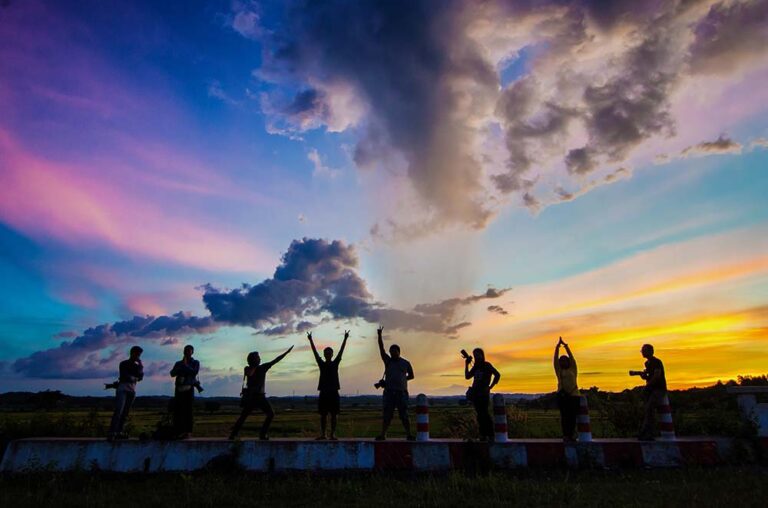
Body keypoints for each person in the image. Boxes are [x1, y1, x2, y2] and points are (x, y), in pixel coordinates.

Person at [229, 345, 294, 441]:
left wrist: (286, 353)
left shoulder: (263, 367)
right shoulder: (248, 368)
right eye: (258, 358)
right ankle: (234, 435)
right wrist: (255, 365)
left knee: (270, 414)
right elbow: (250, 373)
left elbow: (275, 360)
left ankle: (262, 434)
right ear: (253, 360)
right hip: (252, 397)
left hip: (260, 396)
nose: (260, 359)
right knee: (244, 416)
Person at [375, 325, 415, 441]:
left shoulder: (406, 363)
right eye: (391, 352)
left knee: (404, 415)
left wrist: (402, 381)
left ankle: (408, 434)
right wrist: (379, 336)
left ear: (399, 352)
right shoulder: (388, 361)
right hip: (389, 392)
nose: (392, 353)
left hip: (401, 393)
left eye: (394, 351)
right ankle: (383, 434)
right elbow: (381, 349)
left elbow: (412, 376)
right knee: (387, 415)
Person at [308, 330, 349, 440]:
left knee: (334, 415)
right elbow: (315, 352)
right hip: (324, 392)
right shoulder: (321, 364)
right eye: (326, 353)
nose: (327, 354)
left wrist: (345, 339)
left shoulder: (335, 363)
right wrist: (311, 340)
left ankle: (332, 434)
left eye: (329, 353)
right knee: (323, 415)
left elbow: (341, 351)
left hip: (334, 392)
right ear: (324, 355)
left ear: (332, 354)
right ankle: (323, 434)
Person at [107, 346, 144, 441]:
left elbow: (140, 377)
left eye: (139, 355)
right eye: (137, 354)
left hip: (132, 390)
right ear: (132, 353)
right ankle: (112, 432)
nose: (138, 356)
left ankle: (119, 432)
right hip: (122, 389)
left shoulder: (137, 366)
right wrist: (134, 378)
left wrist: (140, 365)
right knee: (119, 410)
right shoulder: (123, 363)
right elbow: (124, 376)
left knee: (125, 412)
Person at [464, 347, 501, 441]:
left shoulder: (487, 365)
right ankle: (483, 435)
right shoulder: (476, 366)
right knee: (479, 415)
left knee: (484, 414)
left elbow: (497, 374)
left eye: (478, 354)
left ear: (482, 355)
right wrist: (466, 364)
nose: (476, 356)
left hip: (483, 393)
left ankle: (491, 435)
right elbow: (467, 376)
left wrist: (491, 386)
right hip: (476, 394)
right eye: (475, 355)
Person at [634, 344, 667, 441]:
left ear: (651, 351)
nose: (642, 352)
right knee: (648, 410)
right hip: (651, 390)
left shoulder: (656, 362)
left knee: (650, 409)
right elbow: (650, 376)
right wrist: (644, 376)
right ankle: (646, 433)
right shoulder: (647, 363)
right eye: (642, 351)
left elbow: (657, 376)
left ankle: (649, 433)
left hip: (658, 389)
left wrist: (647, 386)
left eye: (644, 350)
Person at [170, 345, 200, 439]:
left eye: (188, 351)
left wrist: (185, 366)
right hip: (179, 388)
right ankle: (178, 431)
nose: (186, 352)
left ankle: (188, 432)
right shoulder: (178, 363)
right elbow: (172, 373)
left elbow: (194, 372)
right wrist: (180, 368)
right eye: (185, 350)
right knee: (178, 410)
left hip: (189, 388)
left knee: (188, 410)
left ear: (192, 352)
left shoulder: (195, 362)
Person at [553, 337, 580, 442]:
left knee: (572, 417)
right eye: (561, 361)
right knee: (565, 417)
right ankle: (566, 435)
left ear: (568, 362)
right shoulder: (559, 371)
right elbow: (555, 360)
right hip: (563, 396)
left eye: (565, 360)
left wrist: (566, 346)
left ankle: (571, 435)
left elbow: (572, 358)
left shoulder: (573, 369)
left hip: (574, 396)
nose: (563, 362)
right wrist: (557, 348)